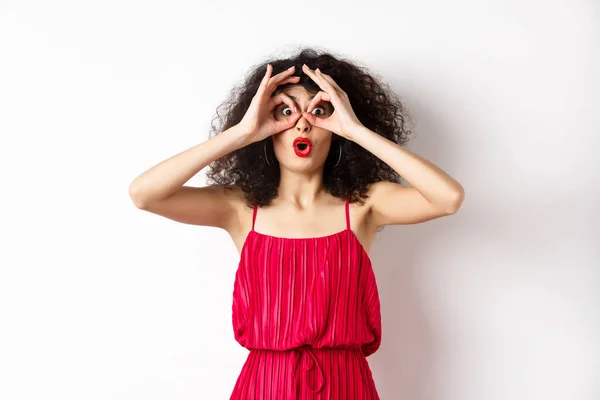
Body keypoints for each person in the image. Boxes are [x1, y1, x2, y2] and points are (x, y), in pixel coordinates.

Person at [129, 47, 465, 399]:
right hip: (265, 385)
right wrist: (242, 132)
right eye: (285, 111)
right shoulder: (240, 207)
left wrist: (355, 129)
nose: (302, 123)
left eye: (320, 111)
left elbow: (448, 198)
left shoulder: (365, 204)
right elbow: (144, 194)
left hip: (345, 386)